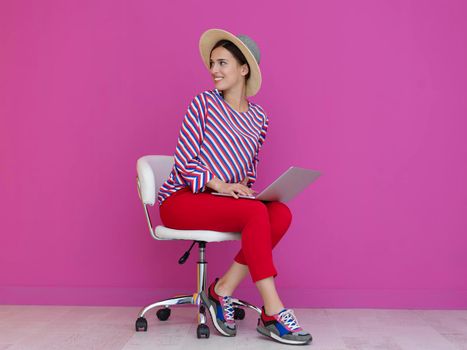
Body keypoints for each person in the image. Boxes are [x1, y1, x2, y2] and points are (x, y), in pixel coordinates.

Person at [157, 28, 312, 345]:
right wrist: (222, 186)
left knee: (279, 213)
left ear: (244, 68)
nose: (214, 70)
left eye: (223, 63)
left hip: (221, 199)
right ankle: (272, 311)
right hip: (182, 200)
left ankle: (222, 289)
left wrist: (242, 186)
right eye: (212, 64)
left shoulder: (260, 118)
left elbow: (249, 165)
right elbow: (185, 162)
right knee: (256, 214)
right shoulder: (202, 104)